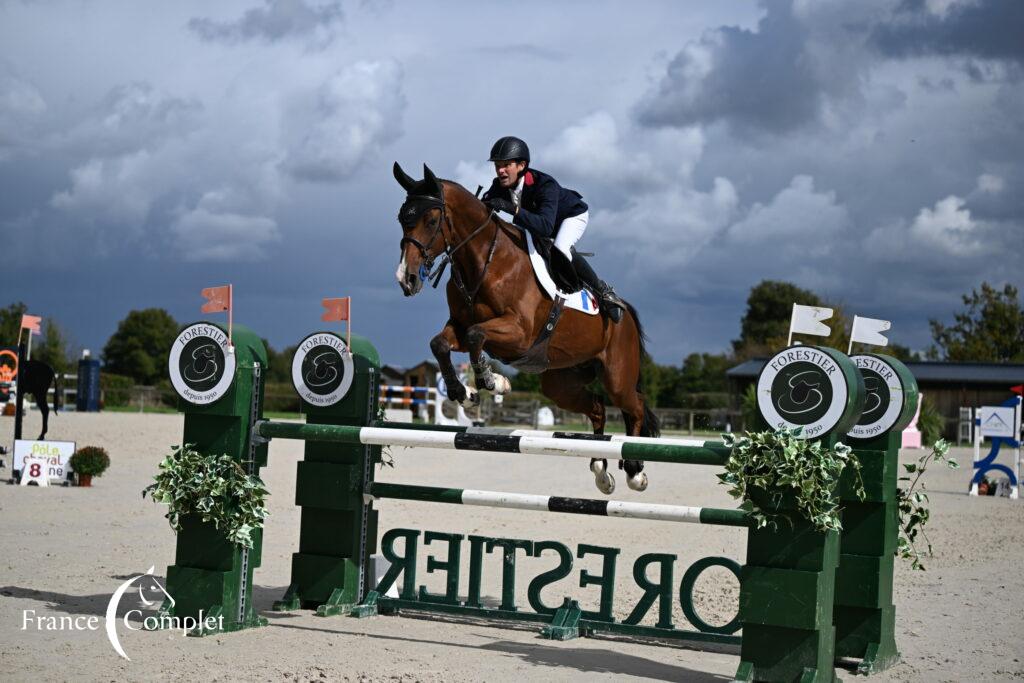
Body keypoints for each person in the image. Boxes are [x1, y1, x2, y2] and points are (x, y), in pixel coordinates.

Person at [481, 136, 626, 323]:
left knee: (560, 248)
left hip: (570, 217)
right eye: (497, 165)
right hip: (540, 223)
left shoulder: (544, 184)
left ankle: (603, 291)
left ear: (521, 165)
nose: (500, 170)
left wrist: (512, 209)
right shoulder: (498, 186)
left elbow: (545, 227)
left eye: (506, 165)